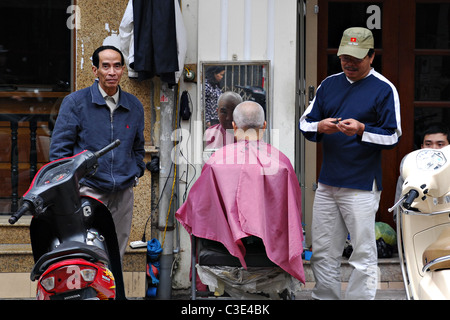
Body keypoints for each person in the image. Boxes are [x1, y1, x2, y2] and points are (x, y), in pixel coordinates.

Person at [299, 27, 402, 300]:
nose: (349, 63)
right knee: (322, 251)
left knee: (363, 253)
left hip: (362, 185)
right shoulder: (328, 84)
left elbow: (393, 136)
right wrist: (320, 126)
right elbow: (304, 123)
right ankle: (325, 297)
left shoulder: (384, 89)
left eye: (356, 58)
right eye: (344, 56)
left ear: (371, 56)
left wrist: (361, 129)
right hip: (327, 183)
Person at [177, 101, 305, 283]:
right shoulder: (281, 163)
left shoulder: (217, 163)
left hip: (222, 246)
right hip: (270, 246)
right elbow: (292, 212)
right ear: (265, 126)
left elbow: (196, 209)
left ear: (234, 126)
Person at [49, 45, 146, 260]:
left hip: (123, 193)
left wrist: (136, 171)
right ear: (95, 70)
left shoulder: (134, 106)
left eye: (117, 66)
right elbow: (59, 153)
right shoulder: (75, 103)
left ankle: (112, 293)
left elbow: (138, 147)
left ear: (122, 70)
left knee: (116, 253)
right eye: (106, 66)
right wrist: (71, 187)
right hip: (88, 190)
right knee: (87, 253)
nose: (112, 72)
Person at [395, 123, 450, 215]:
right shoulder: (411, 168)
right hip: (418, 221)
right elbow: (399, 204)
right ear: (422, 147)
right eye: (428, 144)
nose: (434, 148)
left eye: (440, 144)